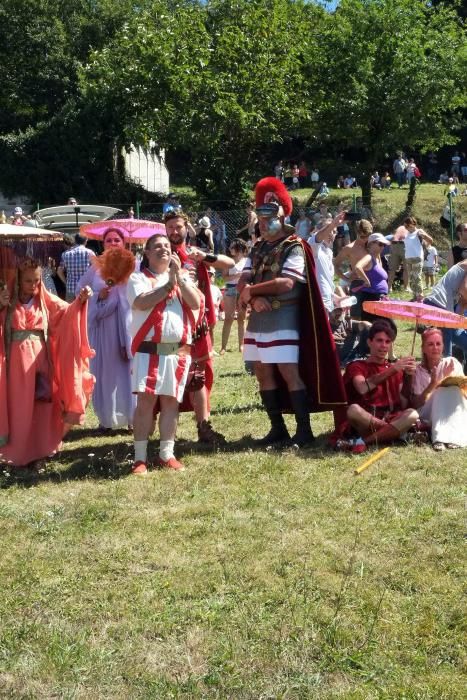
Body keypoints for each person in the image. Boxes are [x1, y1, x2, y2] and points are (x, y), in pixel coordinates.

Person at [238, 176, 346, 446]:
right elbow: (244, 278)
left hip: (284, 316)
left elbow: (287, 282)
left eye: (268, 219)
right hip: (259, 317)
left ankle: (304, 430)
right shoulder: (259, 247)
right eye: (260, 220)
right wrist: (250, 298)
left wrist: (253, 291)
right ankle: (278, 428)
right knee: (262, 371)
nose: (263, 224)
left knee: (288, 370)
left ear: (282, 216)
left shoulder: (295, 245)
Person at [0, 257, 94, 470]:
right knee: (18, 408)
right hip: (14, 365)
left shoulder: (45, 300)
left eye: (36, 281)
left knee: (41, 406)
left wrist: (80, 300)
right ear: (17, 280)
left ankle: (40, 451)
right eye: (28, 281)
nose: (33, 286)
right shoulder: (7, 299)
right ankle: (16, 453)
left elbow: (67, 313)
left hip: (41, 362)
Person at [127, 233, 201, 474]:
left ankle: (166, 454)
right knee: (146, 402)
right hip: (149, 351)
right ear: (146, 253)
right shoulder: (137, 278)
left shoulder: (181, 277)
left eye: (167, 246)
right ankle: (140, 458)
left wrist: (177, 279)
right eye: (157, 246)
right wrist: (169, 283)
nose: (163, 250)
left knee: (171, 402)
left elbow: (195, 304)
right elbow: (141, 303)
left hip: (177, 353)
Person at [164, 210, 234, 443]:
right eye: (171, 227)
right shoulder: (160, 254)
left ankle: (204, 427)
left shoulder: (195, 252)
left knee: (199, 376)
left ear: (187, 228)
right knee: (168, 375)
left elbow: (230, 263)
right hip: (171, 324)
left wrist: (204, 256)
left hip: (198, 324)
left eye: (178, 227)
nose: (175, 231)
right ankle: (165, 431)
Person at [76, 228, 135, 432]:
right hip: (103, 328)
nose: (112, 243)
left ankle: (132, 418)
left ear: (123, 242)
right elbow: (80, 290)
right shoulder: (96, 267)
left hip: (127, 327)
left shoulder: (133, 266)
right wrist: (98, 296)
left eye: (116, 239)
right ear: (103, 244)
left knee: (129, 373)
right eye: (108, 240)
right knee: (103, 373)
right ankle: (106, 420)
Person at [335, 320, 418, 453]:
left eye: (387, 342)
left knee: (412, 414)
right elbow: (362, 387)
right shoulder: (356, 366)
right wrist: (393, 369)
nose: (383, 345)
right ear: (369, 342)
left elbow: (403, 403)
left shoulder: (395, 369)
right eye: (379, 340)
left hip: (390, 417)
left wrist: (409, 377)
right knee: (353, 410)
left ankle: (364, 442)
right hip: (366, 421)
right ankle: (398, 434)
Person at [410, 328, 467, 450]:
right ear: (424, 348)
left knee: (452, 389)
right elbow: (415, 404)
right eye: (430, 344)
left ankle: (453, 437)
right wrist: (433, 384)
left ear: (443, 346)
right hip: (427, 412)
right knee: (440, 391)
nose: (435, 347)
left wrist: (451, 379)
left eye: (438, 344)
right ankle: (439, 438)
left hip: (453, 410)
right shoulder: (417, 371)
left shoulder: (452, 362)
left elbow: (463, 394)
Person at [424, 261, 467, 357]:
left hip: (447, 310)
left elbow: (463, 301)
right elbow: (464, 290)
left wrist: (458, 320)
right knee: (446, 355)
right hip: (438, 305)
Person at [334, 219, 374, 319]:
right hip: (358, 284)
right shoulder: (349, 248)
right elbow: (335, 265)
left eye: (367, 236)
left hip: (374, 283)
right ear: (357, 233)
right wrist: (346, 279)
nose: (364, 239)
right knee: (357, 317)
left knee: (372, 316)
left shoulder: (371, 245)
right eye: (362, 236)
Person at [307, 212, 346, 313]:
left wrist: (337, 299)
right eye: (329, 231)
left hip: (327, 303)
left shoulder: (328, 252)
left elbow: (326, 283)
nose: (332, 234)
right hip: (317, 303)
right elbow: (318, 238)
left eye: (334, 232)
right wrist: (333, 224)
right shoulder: (313, 247)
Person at [220, 238, 248, 354]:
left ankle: (241, 346)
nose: (230, 249)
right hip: (230, 289)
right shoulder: (228, 261)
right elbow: (224, 277)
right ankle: (223, 347)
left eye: (232, 247)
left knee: (242, 318)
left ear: (239, 248)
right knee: (228, 318)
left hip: (243, 289)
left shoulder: (247, 261)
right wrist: (238, 275)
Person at [353, 233, 390, 319]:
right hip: (371, 297)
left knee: (385, 327)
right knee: (379, 326)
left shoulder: (378, 259)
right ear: (371, 244)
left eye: (384, 245)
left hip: (379, 297)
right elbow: (358, 267)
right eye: (380, 244)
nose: (383, 247)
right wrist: (366, 280)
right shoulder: (368, 257)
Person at [57, 233, 96, 302]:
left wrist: (66, 283)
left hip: (71, 290)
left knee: (72, 311)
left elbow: (59, 271)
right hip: (86, 290)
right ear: (86, 240)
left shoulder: (65, 254)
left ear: (75, 240)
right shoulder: (90, 253)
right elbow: (96, 270)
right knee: (86, 311)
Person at [403, 217, 433, 300]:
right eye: (405, 226)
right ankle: (415, 296)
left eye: (407, 226)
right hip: (408, 258)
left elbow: (430, 240)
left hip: (417, 257)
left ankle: (420, 296)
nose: (406, 228)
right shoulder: (406, 233)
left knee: (417, 277)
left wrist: (424, 236)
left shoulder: (419, 231)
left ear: (413, 224)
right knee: (412, 278)